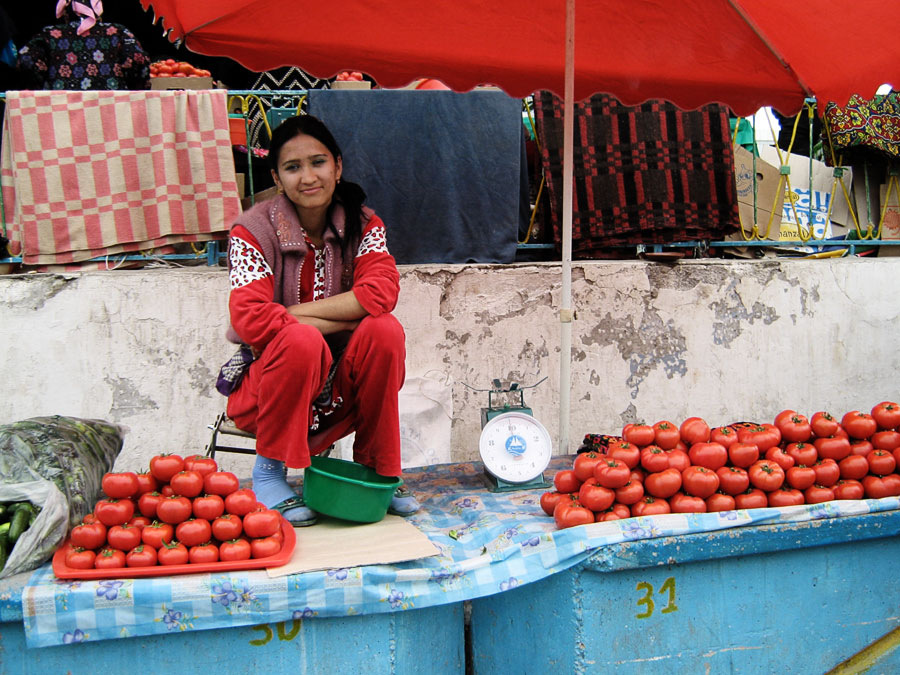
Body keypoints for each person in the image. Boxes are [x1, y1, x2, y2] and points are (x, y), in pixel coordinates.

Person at [217, 115, 419, 526]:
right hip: (269, 389)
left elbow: (379, 296)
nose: (308, 177)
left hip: (340, 391)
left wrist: (292, 315)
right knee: (302, 342)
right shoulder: (251, 231)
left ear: (338, 166)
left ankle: (378, 468)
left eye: (318, 162)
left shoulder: (364, 225)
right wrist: (343, 318)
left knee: (384, 330)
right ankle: (270, 470)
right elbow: (251, 321)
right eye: (293, 167)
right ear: (277, 176)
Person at [16, 0, 150, 90]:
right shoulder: (117, 32)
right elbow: (137, 58)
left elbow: (26, 59)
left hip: (62, 110)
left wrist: (41, 88)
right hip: (110, 109)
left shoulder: (50, 34)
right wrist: (135, 88)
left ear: (66, 12)